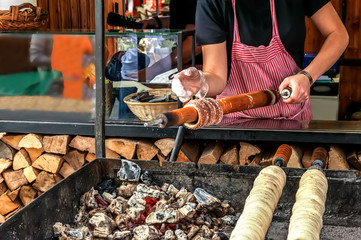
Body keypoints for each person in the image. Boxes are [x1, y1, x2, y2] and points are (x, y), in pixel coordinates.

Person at [171, 0, 349, 120]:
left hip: (292, 122)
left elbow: (338, 34)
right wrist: (201, 83)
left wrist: (307, 76)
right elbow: (216, 76)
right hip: (235, 125)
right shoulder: (213, 2)